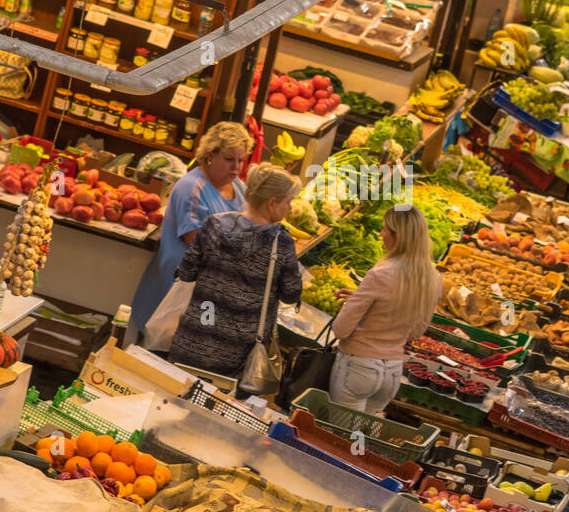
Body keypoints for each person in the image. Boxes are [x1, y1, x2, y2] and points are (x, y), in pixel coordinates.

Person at [168, 164, 303, 380]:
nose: (289, 207)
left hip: (196, 334)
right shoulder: (280, 242)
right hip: (238, 352)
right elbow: (291, 294)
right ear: (271, 203)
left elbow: (186, 272)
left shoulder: (215, 224)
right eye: (287, 201)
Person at [126, 121, 252, 346]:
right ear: (210, 155)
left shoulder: (238, 187)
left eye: (240, 160)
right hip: (179, 290)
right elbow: (199, 243)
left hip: (213, 289)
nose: (236, 168)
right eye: (229, 159)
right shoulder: (191, 187)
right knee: (160, 356)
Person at [328, 206, 443, 415]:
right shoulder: (433, 278)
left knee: (339, 437)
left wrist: (353, 307)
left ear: (399, 236)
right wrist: (366, 302)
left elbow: (340, 329)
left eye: (385, 230)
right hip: (391, 373)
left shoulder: (380, 274)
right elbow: (415, 332)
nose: (381, 235)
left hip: (358, 367)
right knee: (363, 440)